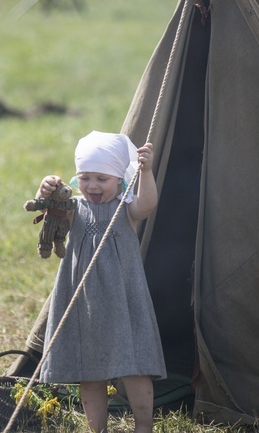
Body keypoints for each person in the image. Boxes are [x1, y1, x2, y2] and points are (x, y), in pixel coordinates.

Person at [36, 131, 166, 433]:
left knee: (135, 366)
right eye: (84, 177)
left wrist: (146, 172)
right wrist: (46, 188)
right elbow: (50, 209)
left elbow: (147, 204)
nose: (92, 186)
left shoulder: (125, 206)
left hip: (124, 298)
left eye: (102, 179)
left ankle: (143, 427)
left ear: (120, 178)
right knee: (89, 371)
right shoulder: (74, 208)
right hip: (84, 302)